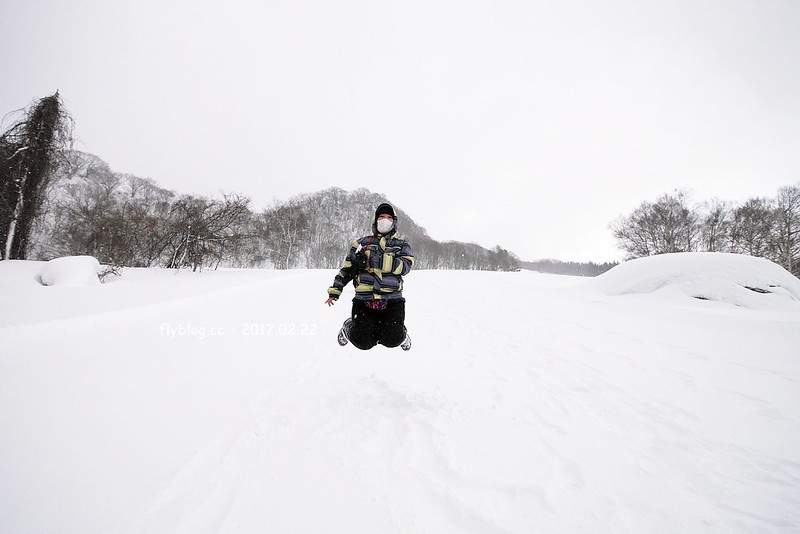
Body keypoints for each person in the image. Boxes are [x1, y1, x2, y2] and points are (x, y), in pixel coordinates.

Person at [325, 203, 414, 350]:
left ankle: (402, 336)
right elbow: (347, 269)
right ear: (375, 220)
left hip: (392, 300)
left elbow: (406, 266)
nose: (384, 220)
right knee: (363, 341)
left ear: (394, 222)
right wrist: (335, 290)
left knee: (393, 338)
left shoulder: (402, 245)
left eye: (389, 217)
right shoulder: (361, 243)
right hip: (364, 300)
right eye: (381, 217)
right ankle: (348, 327)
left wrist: (379, 261)